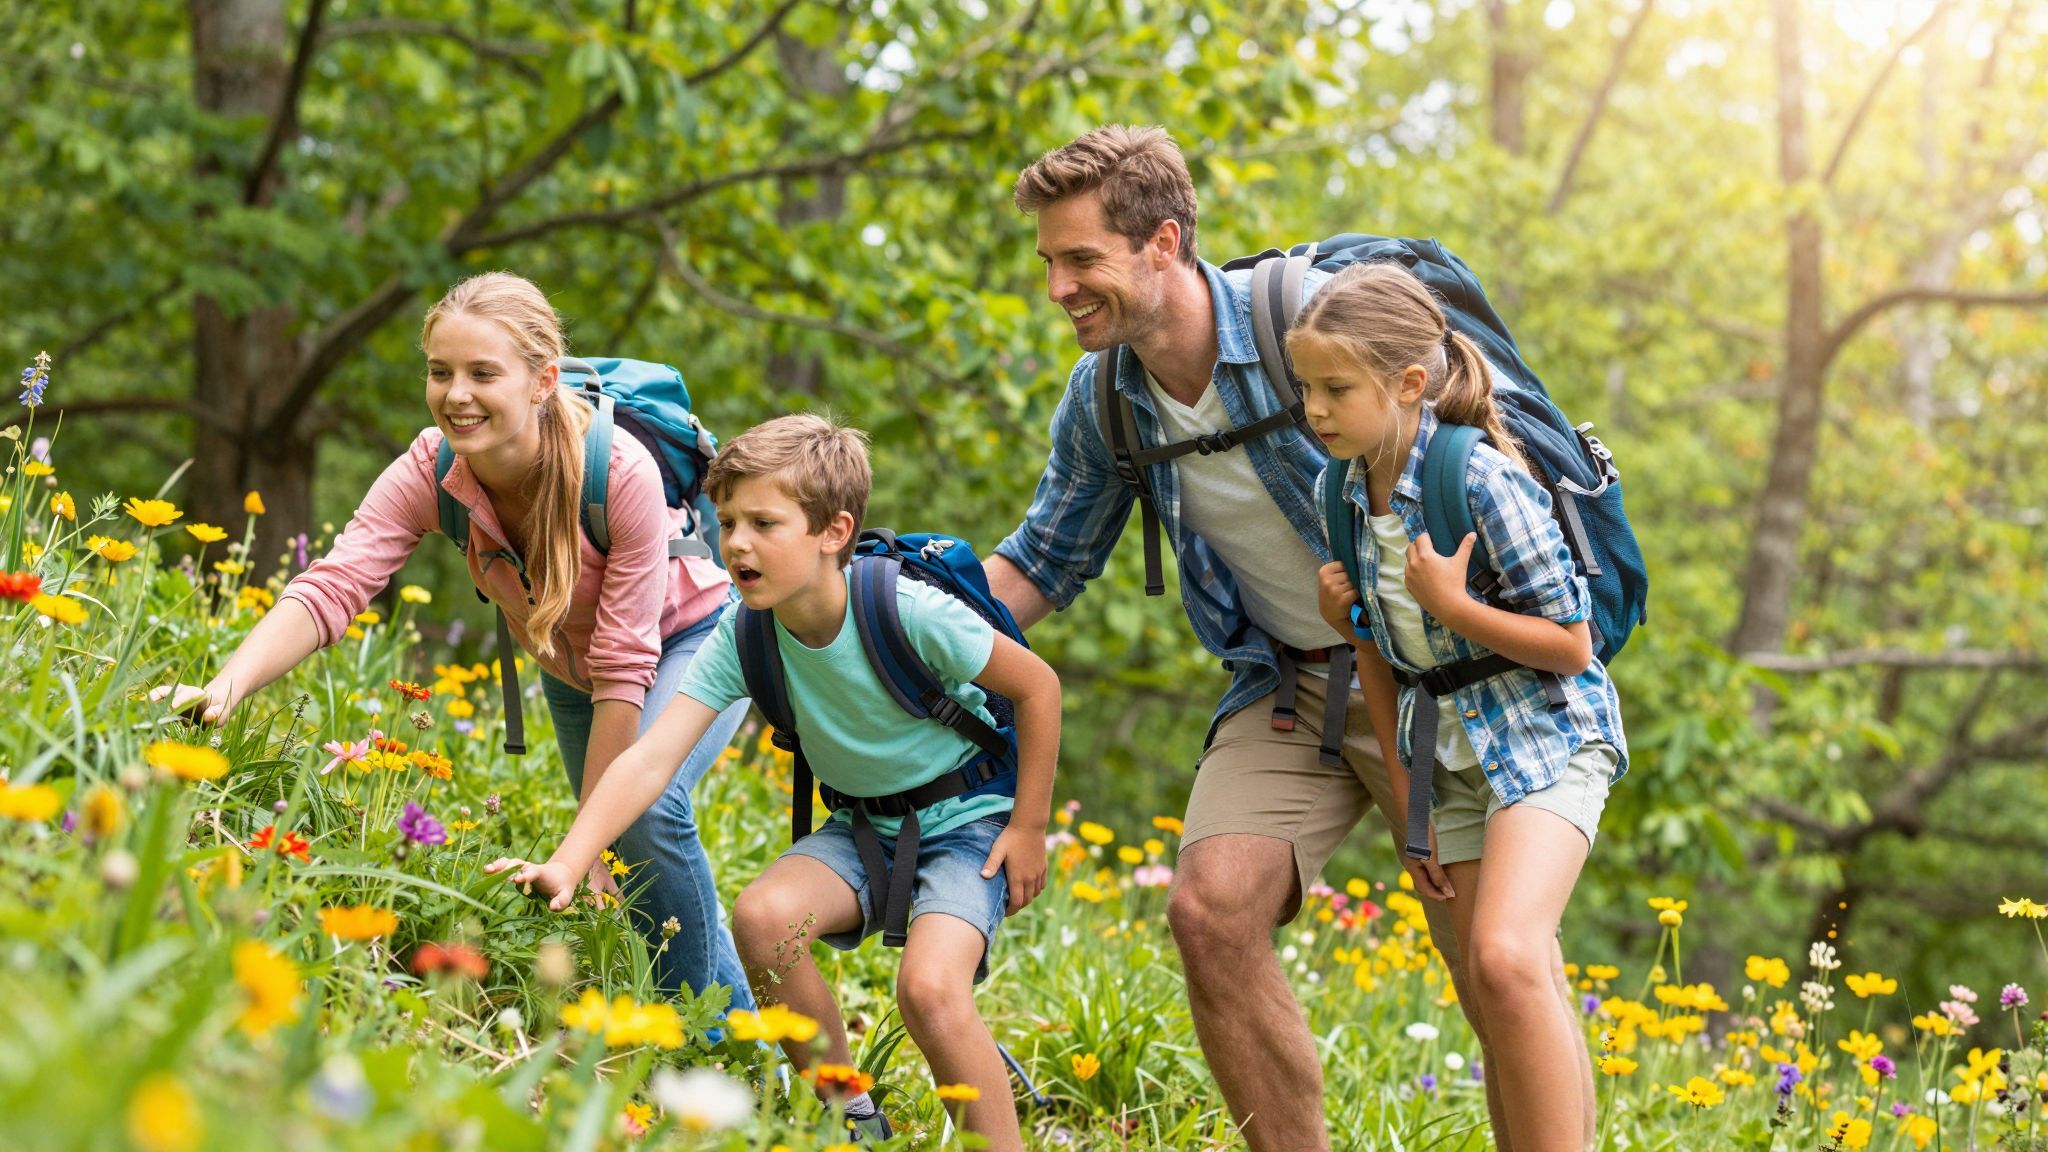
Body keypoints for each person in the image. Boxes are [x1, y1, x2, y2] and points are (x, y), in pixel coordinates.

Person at [985, 125, 1569, 1151]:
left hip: (1436, 682)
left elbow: (1483, 461)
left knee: (1495, 973)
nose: (1057, 287)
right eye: (1048, 262)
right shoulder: (1105, 397)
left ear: (1163, 241)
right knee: (1207, 912)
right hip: (1290, 683)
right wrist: (897, 630)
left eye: (1079, 259)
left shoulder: (1311, 325)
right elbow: (1042, 562)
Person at [156, 272, 752, 1004]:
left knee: (642, 823)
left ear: (542, 381)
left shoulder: (617, 472)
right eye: (440, 372)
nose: (456, 394)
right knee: (624, 854)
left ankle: (711, 1040)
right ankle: (740, 1046)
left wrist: (584, 847)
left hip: (692, 643)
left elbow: (626, 668)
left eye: (482, 373)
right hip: (569, 668)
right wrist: (226, 684)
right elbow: (335, 584)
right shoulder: (430, 467)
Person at [488, 414, 1059, 1149]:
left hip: (969, 826)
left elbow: (1038, 688)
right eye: (726, 521)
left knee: (929, 990)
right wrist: (570, 861)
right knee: (764, 921)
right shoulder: (744, 631)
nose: (737, 543)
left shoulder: (905, 609)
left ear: (833, 530)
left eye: (764, 522)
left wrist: (1029, 826)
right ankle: (847, 1114)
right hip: (861, 828)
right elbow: (650, 758)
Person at [1298, 260, 1626, 1151]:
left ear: (1408, 384)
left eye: (1335, 388)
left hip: (1547, 737)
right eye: (1305, 389)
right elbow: (1377, 652)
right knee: (1499, 993)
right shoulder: (1340, 490)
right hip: (1447, 758)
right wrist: (1408, 798)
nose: (1314, 410)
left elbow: (1572, 642)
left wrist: (1455, 607)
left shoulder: (1479, 478)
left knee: (1508, 959)